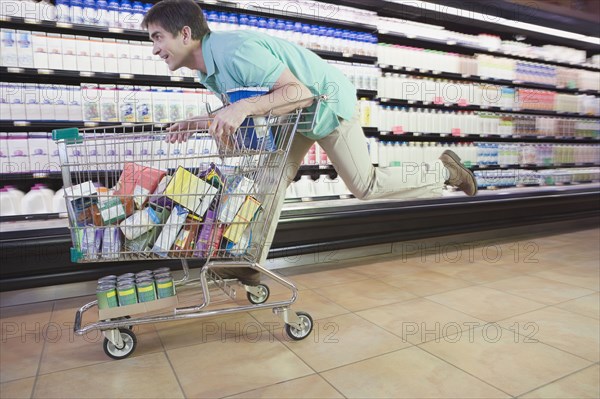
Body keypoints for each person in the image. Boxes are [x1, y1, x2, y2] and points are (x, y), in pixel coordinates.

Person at [141, 0, 477, 285]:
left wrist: (242, 107)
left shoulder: (235, 51)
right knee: (268, 182)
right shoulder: (207, 70)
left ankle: (444, 170)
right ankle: (247, 261)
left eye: (158, 37)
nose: (155, 48)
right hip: (294, 115)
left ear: (185, 33)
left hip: (325, 104)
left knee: (364, 185)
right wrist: (198, 121)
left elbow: (297, 92)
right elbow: (251, 101)